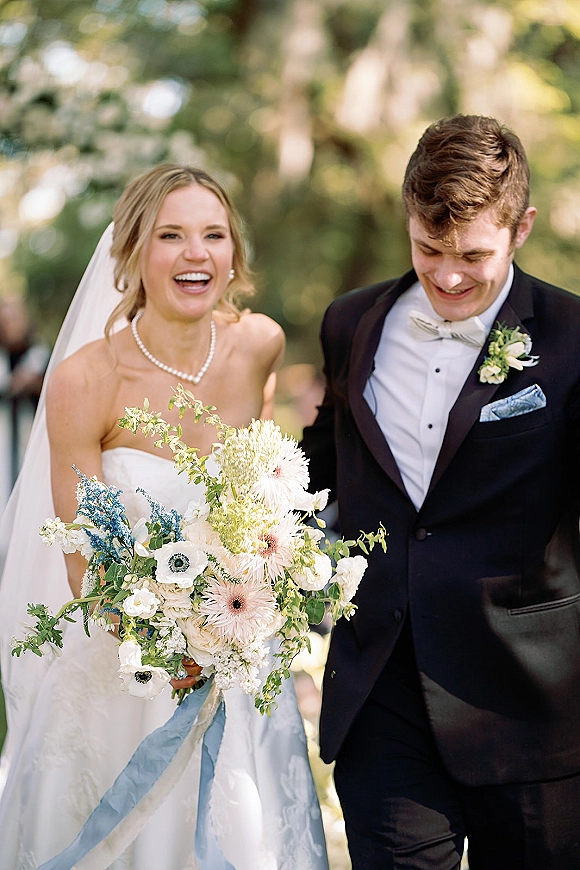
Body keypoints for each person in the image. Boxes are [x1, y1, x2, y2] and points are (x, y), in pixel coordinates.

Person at [0, 164, 329, 869]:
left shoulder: (259, 346)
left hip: (237, 671)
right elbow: (86, 556)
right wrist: (177, 643)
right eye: (171, 235)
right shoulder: (88, 378)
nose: (195, 254)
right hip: (130, 670)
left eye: (213, 235)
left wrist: (251, 609)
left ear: (234, 254)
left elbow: (259, 499)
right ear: (134, 254)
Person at [301, 114, 580, 869]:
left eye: (473, 255)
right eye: (429, 249)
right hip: (382, 691)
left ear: (520, 228)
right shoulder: (350, 323)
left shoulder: (572, 336)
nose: (449, 276)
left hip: (532, 706)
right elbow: (318, 467)